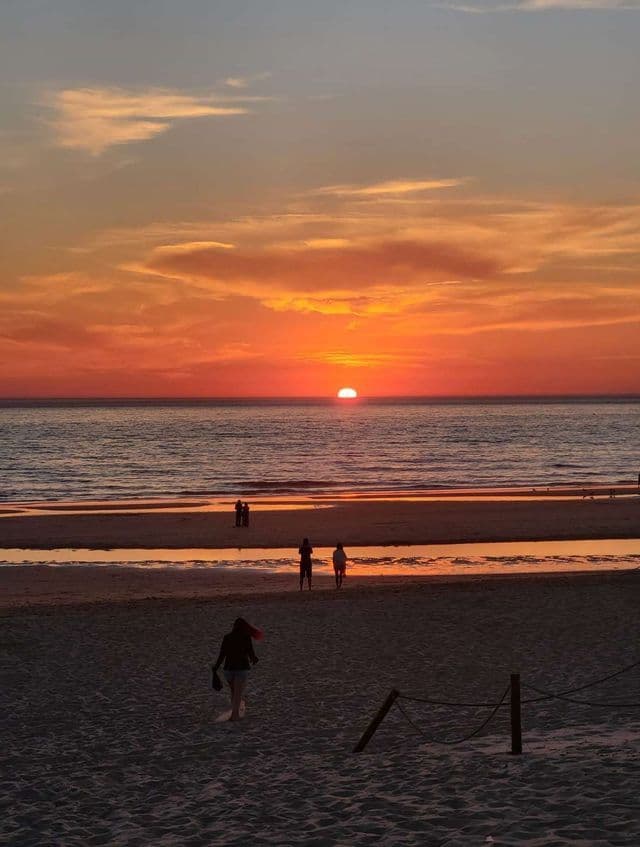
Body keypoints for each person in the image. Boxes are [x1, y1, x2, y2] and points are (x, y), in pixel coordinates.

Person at [212, 617, 263, 721]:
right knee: (237, 694)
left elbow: (222, 655)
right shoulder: (246, 637)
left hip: (228, 671)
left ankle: (236, 711)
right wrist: (255, 659)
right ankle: (235, 715)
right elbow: (251, 654)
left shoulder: (227, 637)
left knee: (235, 693)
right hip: (241, 669)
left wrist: (215, 668)